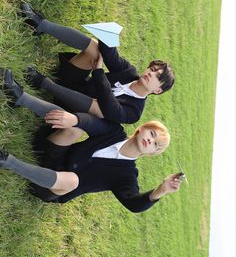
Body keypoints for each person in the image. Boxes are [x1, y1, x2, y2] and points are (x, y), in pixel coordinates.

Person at [0, 73, 183, 211]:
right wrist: (75, 120)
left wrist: (161, 190)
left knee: (73, 180)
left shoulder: (127, 176)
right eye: (151, 134)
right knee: (76, 125)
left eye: (155, 144)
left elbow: (133, 204)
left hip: (53, 188)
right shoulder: (115, 133)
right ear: (141, 128)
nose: (150, 141)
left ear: (152, 153)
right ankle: (20, 97)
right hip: (52, 154)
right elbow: (92, 123)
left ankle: (7, 161)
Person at [19, 2, 175, 125]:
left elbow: (111, 108)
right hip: (75, 82)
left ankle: (42, 82)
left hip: (71, 110)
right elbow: (111, 56)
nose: (151, 73)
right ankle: (40, 24)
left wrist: (99, 72)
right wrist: (108, 35)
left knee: (100, 109)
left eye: (157, 76)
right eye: (152, 69)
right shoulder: (129, 72)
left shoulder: (135, 111)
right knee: (95, 49)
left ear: (158, 90)